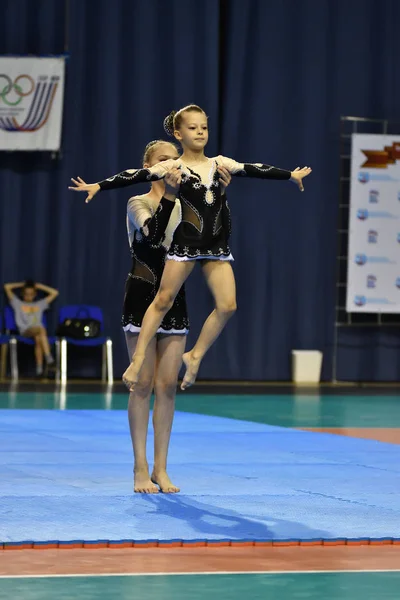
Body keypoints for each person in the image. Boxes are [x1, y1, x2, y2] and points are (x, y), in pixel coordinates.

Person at [69, 104, 311, 392]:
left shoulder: (219, 163)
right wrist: (99, 185)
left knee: (228, 305)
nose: (200, 132)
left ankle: (194, 355)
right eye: (193, 128)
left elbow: (256, 168)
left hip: (216, 245)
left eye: (204, 127)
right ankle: (138, 358)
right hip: (187, 244)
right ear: (178, 133)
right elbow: (133, 175)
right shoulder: (173, 167)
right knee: (162, 300)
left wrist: (290, 176)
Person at [78, 139, 231, 493]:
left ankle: (162, 468)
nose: (172, 164)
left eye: (174, 158)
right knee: (142, 385)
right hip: (142, 293)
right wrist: (170, 196)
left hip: (173, 297)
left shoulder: (187, 203)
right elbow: (153, 237)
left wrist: (220, 192)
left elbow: (212, 232)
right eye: (163, 160)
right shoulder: (139, 202)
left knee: (167, 388)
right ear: (149, 166)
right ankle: (139, 467)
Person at [4, 280, 59, 376]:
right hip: (25, 331)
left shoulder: (40, 304)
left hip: (37, 332)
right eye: (26, 294)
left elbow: (55, 293)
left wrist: (39, 286)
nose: (28, 296)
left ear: (35, 294)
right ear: (22, 294)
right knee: (41, 329)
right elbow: (7, 287)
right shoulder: (17, 304)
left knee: (38, 338)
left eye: (31, 294)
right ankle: (49, 358)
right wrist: (22, 284)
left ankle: (39, 369)